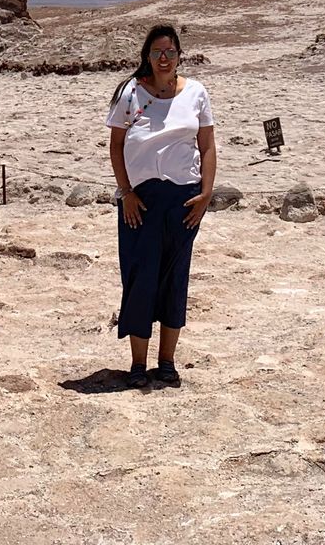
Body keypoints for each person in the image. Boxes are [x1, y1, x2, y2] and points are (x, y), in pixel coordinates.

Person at [105, 23, 216, 390]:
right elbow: (117, 146)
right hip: (140, 203)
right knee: (139, 280)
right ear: (147, 56)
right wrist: (127, 193)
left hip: (183, 200)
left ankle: (166, 363)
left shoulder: (196, 92)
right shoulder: (130, 93)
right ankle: (138, 364)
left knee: (173, 279)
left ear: (180, 55)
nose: (164, 58)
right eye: (157, 52)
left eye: (170, 51)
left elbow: (208, 146)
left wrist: (206, 194)